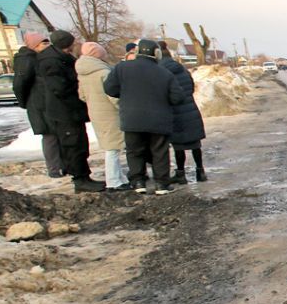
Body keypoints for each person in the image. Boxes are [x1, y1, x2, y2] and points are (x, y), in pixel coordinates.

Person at [103, 38, 183, 194]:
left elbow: (109, 88)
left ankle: (138, 182)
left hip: (132, 118)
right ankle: (162, 184)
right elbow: (177, 97)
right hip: (159, 120)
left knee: (134, 151)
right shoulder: (165, 73)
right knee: (159, 151)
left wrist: (126, 94)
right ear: (156, 53)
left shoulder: (122, 68)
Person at [38, 30, 104, 192]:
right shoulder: (52, 62)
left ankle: (83, 176)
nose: (74, 46)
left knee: (79, 143)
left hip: (70, 110)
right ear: (66, 44)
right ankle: (80, 179)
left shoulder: (59, 58)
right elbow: (59, 88)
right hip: (65, 111)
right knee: (73, 145)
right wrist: (78, 86)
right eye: (72, 43)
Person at [75, 42, 129, 191]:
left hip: (96, 113)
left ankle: (120, 178)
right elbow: (113, 95)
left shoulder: (83, 73)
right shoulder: (103, 73)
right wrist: (123, 107)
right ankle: (113, 181)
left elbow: (82, 95)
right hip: (110, 114)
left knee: (111, 147)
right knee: (113, 149)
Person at [12, 32, 63, 178]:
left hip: (47, 101)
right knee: (50, 136)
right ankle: (54, 169)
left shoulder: (39, 58)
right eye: (43, 43)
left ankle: (61, 166)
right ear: (35, 45)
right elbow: (19, 84)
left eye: (47, 42)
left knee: (57, 134)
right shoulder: (27, 60)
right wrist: (25, 102)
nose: (47, 46)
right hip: (39, 103)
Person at [158, 48, 207, 183]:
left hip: (175, 111)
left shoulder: (162, 72)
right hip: (191, 108)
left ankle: (181, 174)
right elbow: (191, 87)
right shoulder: (182, 69)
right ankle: (200, 172)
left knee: (178, 145)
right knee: (195, 143)